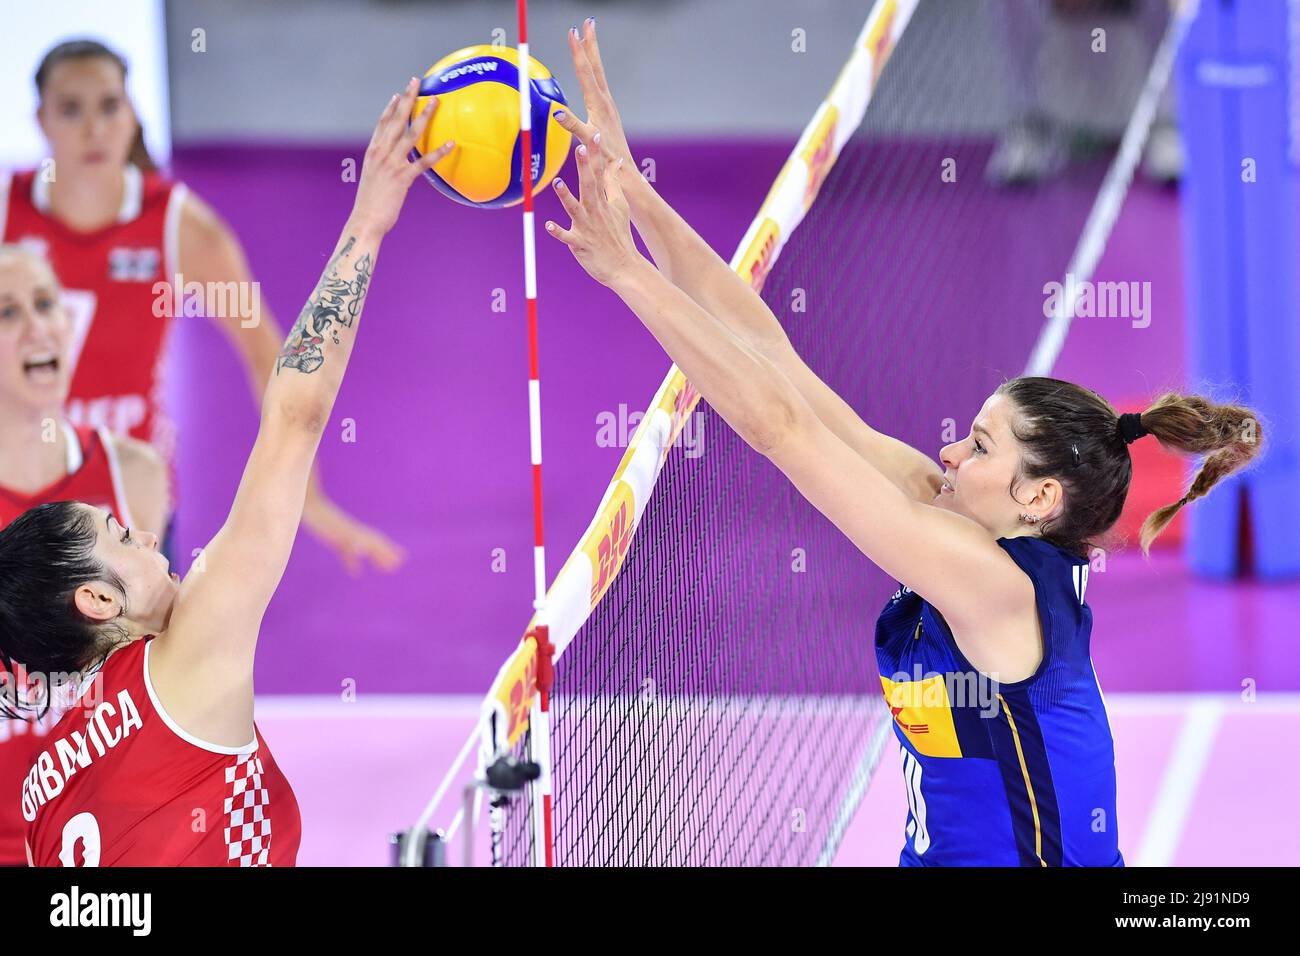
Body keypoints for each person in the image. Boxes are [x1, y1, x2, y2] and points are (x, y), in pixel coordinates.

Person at [545, 20, 1261, 865]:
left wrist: (625, 276)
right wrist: (636, 195)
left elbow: (779, 431)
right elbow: (776, 361)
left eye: (981, 447)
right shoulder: (947, 512)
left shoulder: (993, 586)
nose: (950, 454)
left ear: (1038, 498)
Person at [3, 80, 455, 866]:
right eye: (122, 536)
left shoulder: (43, 777)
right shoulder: (193, 653)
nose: (149, 535)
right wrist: (368, 224)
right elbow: (294, 417)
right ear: (99, 599)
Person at [0, 38, 404, 573]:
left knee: (130, 655)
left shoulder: (180, 229)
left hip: (124, 503)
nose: (93, 128)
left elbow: (267, 354)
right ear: (41, 120)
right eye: (71, 109)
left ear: (131, 115)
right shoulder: (9, 212)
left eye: (109, 106)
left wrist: (309, 497)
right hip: (15, 486)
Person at [0, 244, 167, 866]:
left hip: (118, 848)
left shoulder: (135, 476)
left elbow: (160, 649)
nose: (38, 325)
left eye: (46, 304)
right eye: (7, 313)